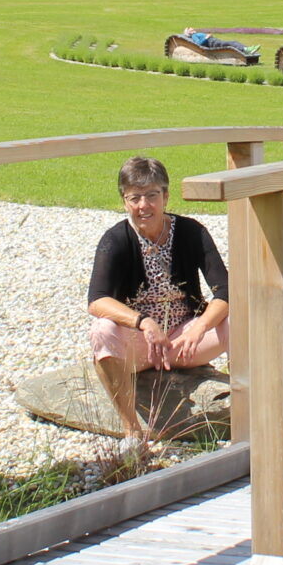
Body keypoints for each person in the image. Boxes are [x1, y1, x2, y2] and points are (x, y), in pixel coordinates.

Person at [85, 157, 230, 443]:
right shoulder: (115, 239)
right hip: (140, 346)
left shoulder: (191, 232)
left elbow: (226, 291)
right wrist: (143, 323)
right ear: (124, 201)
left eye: (151, 196)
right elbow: (97, 300)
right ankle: (132, 432)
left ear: (165, 196)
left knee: (239, 320)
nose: (143, 206)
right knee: (102, 330)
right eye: (134, 198)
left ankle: (250, 404)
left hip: (183, 340)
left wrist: (200, 328)